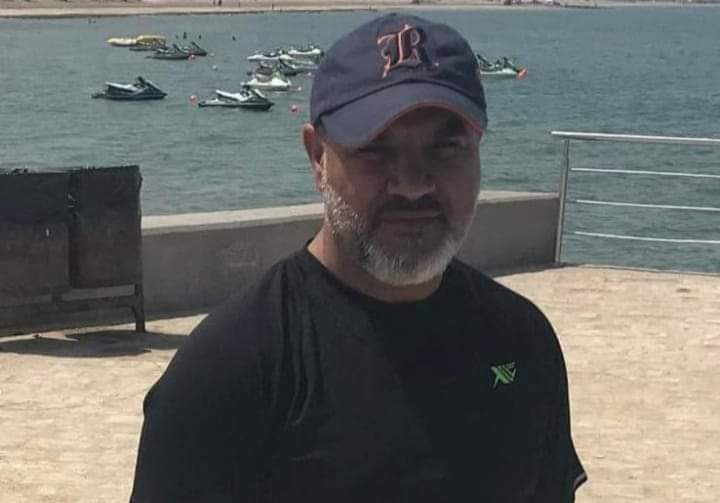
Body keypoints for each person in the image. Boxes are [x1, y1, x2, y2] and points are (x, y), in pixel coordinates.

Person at [130, 13, 587, 502]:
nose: (412, 184)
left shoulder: (522, 340)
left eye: (446, 148)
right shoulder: (232, 369)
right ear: (317, 157)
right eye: (375, 149)